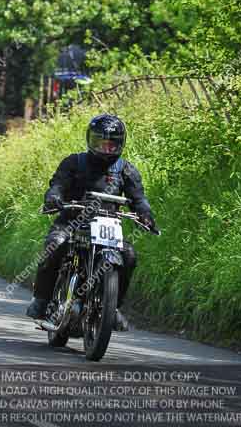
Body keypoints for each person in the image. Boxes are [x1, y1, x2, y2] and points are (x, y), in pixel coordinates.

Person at [26, 114, 157, 331]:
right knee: (56, 245)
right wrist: (54, 196)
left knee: (129, 255)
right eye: (101, 142)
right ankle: (42, 299)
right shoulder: (74, 162)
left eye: (111, 144)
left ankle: (113, 308)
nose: (106, 148)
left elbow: (138, 198)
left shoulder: (126, 170)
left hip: (108, 226)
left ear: (120, 144)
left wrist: (145, 214)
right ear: (91, 140)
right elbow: (58, 184)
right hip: (71, 222)